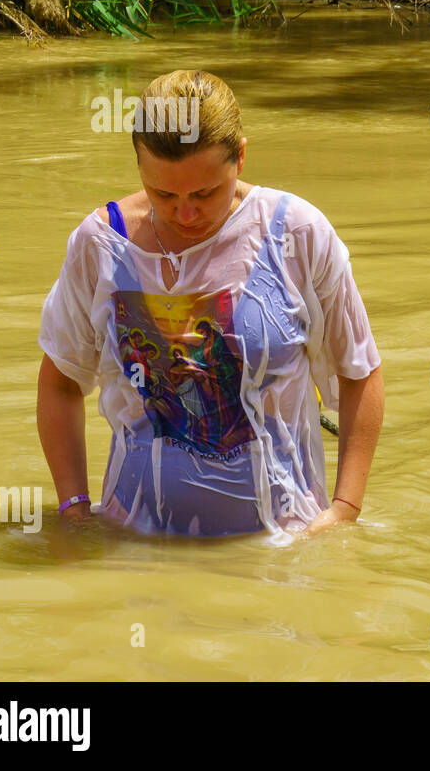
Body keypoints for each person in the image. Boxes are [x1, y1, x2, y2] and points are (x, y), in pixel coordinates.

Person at [36, 70, 384, 539]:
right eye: (164, 194)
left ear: (240, 156)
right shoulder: (100, 246)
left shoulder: (295, 232)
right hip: (136, 546)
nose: (185, 214)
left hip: (283, 547)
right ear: (139, 164)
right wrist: (75, 512)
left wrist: (344, 510)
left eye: (204, 193)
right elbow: (60, 382)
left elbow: (359, 371)